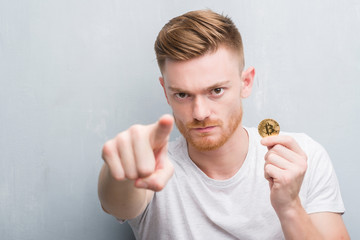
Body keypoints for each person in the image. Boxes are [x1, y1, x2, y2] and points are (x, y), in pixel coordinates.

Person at [98, 9, 349, 239]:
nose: (200, 112)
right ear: (166, 92)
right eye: (182, 95)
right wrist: (121, 170)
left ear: (246, 83)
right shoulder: (156, 168)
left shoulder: (303, 157)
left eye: (216, 90)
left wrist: (290, 206)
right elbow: (117, 202)